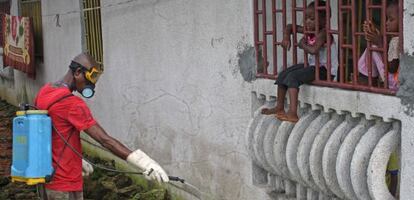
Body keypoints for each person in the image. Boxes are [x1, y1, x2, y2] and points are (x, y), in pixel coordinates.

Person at [34, 53, 169, 200]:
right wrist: (144, 162)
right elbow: (105, 140)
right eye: (91, 78)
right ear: (78, 72)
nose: (93, 84)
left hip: (45, 178)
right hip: (63, 184)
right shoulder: (72, 104)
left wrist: (76, 159)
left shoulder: (45, 91)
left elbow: (47, 133)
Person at [261, 0, 338, 123]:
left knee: (293, 77)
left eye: (311, 19)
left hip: (325, 70)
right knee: (283, 74)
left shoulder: (324, 33)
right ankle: (279, 107)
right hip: (313, 66)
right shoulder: (309, 30)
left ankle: (292, 113)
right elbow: (290, 27)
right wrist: (286, 37)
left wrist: (302, 44)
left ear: (324, 21)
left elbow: (314, 50)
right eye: (306, 18)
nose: (307, 22)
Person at [357, 0, 400, 91]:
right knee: (374, 47)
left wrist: (380, 43)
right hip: (396, 81)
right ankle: (366, 77)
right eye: (387, 19)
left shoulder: (396, 41)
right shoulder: (399, 39)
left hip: (394, 82)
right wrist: (379, 40)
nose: (386, 23)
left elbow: (392, 68)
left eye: (391, 19)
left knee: (373, 48)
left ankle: (365, 79)